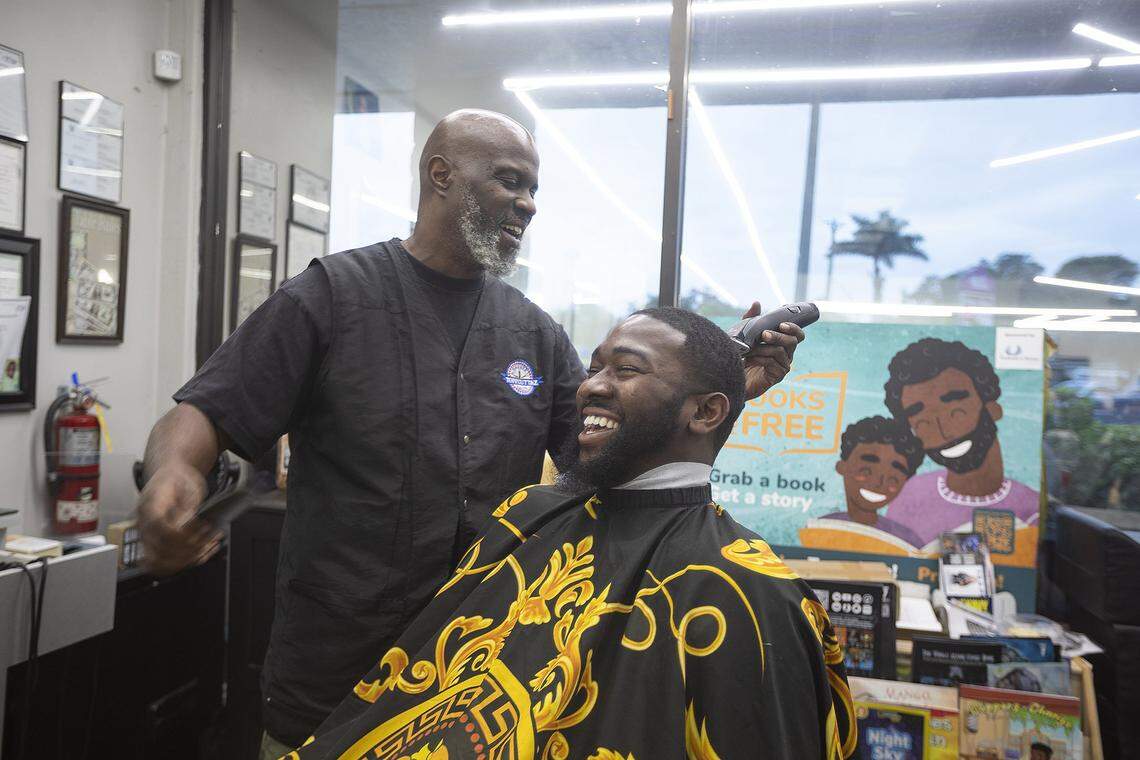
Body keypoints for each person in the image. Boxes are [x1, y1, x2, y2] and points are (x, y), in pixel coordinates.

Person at [135, 109, 807, 754]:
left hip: (475, 694)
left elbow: (618, 459)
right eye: (509, 180)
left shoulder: (532, 333)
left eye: (534, 189)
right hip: (331, 683)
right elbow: (205, 413)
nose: (528, 204)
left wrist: (718, 396)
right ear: (441, 176)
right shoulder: (331, 298)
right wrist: (173, 475)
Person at [282, 308, 855, 759]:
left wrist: (713, 392)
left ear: (705, 413)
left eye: (624, 370)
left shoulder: (749, 593)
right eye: (594, 368)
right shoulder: (528, 515)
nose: (590, 388)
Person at [881, 338, 1039, 547]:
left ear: (992, 409)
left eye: (956, 412)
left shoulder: (1029, 509)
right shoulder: (910, 497)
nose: (942, 431)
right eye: (923, 422)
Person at [821, 415, 925, 548]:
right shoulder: (823, 528)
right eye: (866, 471)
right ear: (842, 467)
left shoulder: (906, 540)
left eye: (893, 479)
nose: (878, 483)